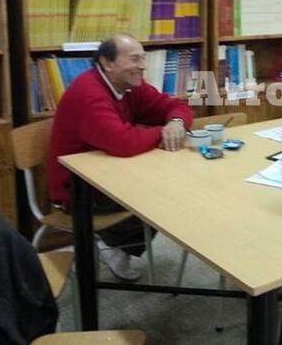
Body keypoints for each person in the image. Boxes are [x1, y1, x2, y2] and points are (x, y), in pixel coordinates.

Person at [47, 34, 193, 282]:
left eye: (143, 59)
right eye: (135, 59)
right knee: (162, 195)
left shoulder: (129, 85)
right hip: (76, 189)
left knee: (168, 188)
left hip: (109, 172)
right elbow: (122, 143)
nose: (143, 66)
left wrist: (177, 122)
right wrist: (163, 131)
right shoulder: (88, 92)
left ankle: (115, 245)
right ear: (107, 63)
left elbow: (173, 105)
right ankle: (113, 244)